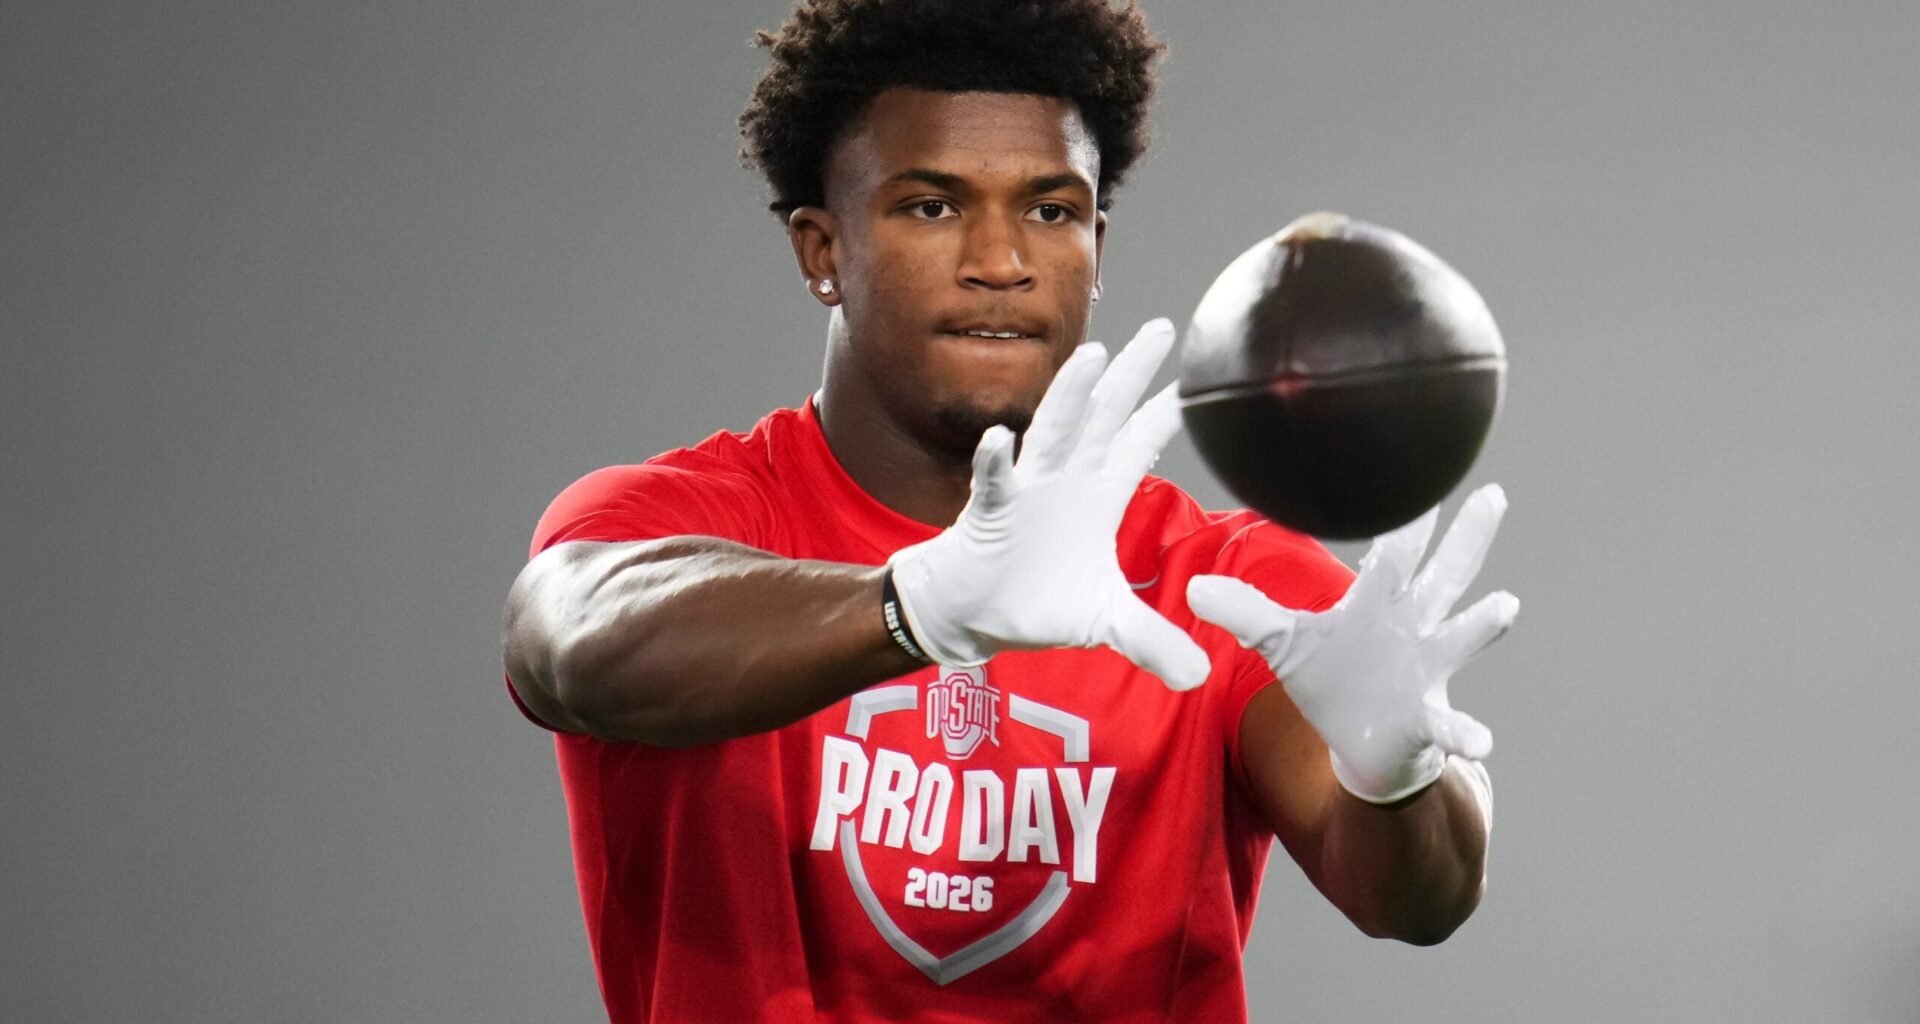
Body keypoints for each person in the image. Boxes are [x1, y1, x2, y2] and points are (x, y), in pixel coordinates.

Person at [500, 2, 1517, 1021]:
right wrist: (914, 604)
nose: (1001, 260)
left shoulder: (1221, 583)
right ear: (822, 250)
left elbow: (1415, 901)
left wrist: (1397, 773)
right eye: (931, 206)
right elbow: (568, 640)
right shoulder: (679, 518)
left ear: (1096, 247)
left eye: (1051, 210)